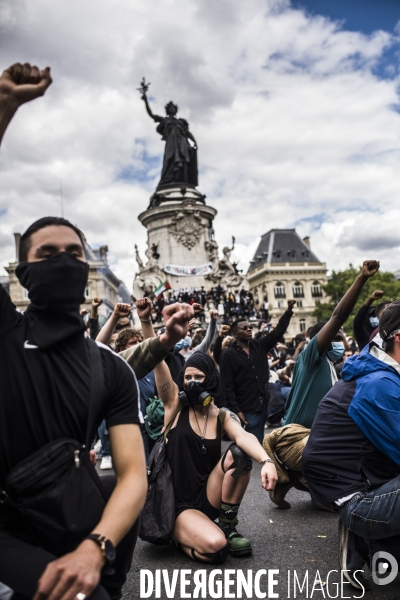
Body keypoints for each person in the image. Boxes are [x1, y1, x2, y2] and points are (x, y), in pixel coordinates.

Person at [136, 298, 278, 561]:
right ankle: (180, 537)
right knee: (216, 549)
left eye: (198, 378)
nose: (191, 382)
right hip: (177, 504)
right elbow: (158, 361)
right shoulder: (173, 406)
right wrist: (145, 321)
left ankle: (228, 525)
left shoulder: (220, 415)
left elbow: (244, 436)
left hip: (208, 497)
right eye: (187, 377)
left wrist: (266, 460)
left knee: (240, 454)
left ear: (210, 381)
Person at [302, 299, 400, 590]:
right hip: (358, 500)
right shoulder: (378, 383)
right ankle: (363, 533)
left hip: (362, 485)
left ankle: (365, 544)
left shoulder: (378, 371)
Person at [283, 261, 379, 429]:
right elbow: (338, 316)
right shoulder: (311, 357)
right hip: (297, 438)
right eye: (335, 338)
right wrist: (362, 278)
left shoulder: (329, 365)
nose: (340, 343)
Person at [219, 300, 295, 443]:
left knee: (293, 391)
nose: (249, 329)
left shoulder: (258, 345)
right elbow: (227, 386)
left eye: (249, 327)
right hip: (248, 407)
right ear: (235, 333)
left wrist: (288, 311)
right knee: (253, 445)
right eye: (244, 328)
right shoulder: (227, 355)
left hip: (268, 399)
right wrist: (237, 410)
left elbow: (278, 332)